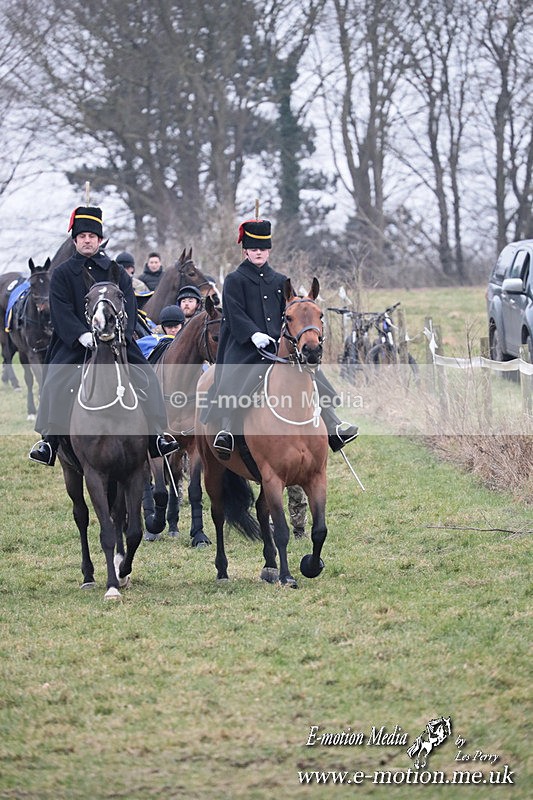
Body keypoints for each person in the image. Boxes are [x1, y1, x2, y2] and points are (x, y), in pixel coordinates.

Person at [28, 206, 181, 466]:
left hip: (117, 342)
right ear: (75, 240)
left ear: (100, 240)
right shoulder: (62, 274)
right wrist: (81, 335)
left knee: (146, 376)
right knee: (55, 380)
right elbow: (61, 311)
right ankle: (50, 441)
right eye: (82, 236)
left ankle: (157, 435)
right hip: (76, 343)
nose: (87, 240)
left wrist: (122, 332)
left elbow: (130, 303)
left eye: (92, 236)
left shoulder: (115, 271)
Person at [205, 217, 358, 459]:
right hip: (244, 345)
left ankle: (333, 425)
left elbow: (291, 313)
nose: (259, 253)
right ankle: (227, 429)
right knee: (238, 377)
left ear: (268, 251)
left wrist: (288, 339)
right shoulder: (235, 280)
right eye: (254, 249)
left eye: (263, 249)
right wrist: (253, 334)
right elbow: (233, 313)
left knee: (311, 372)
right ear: (245, 251)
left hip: (278, 344)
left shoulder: (279, 280)